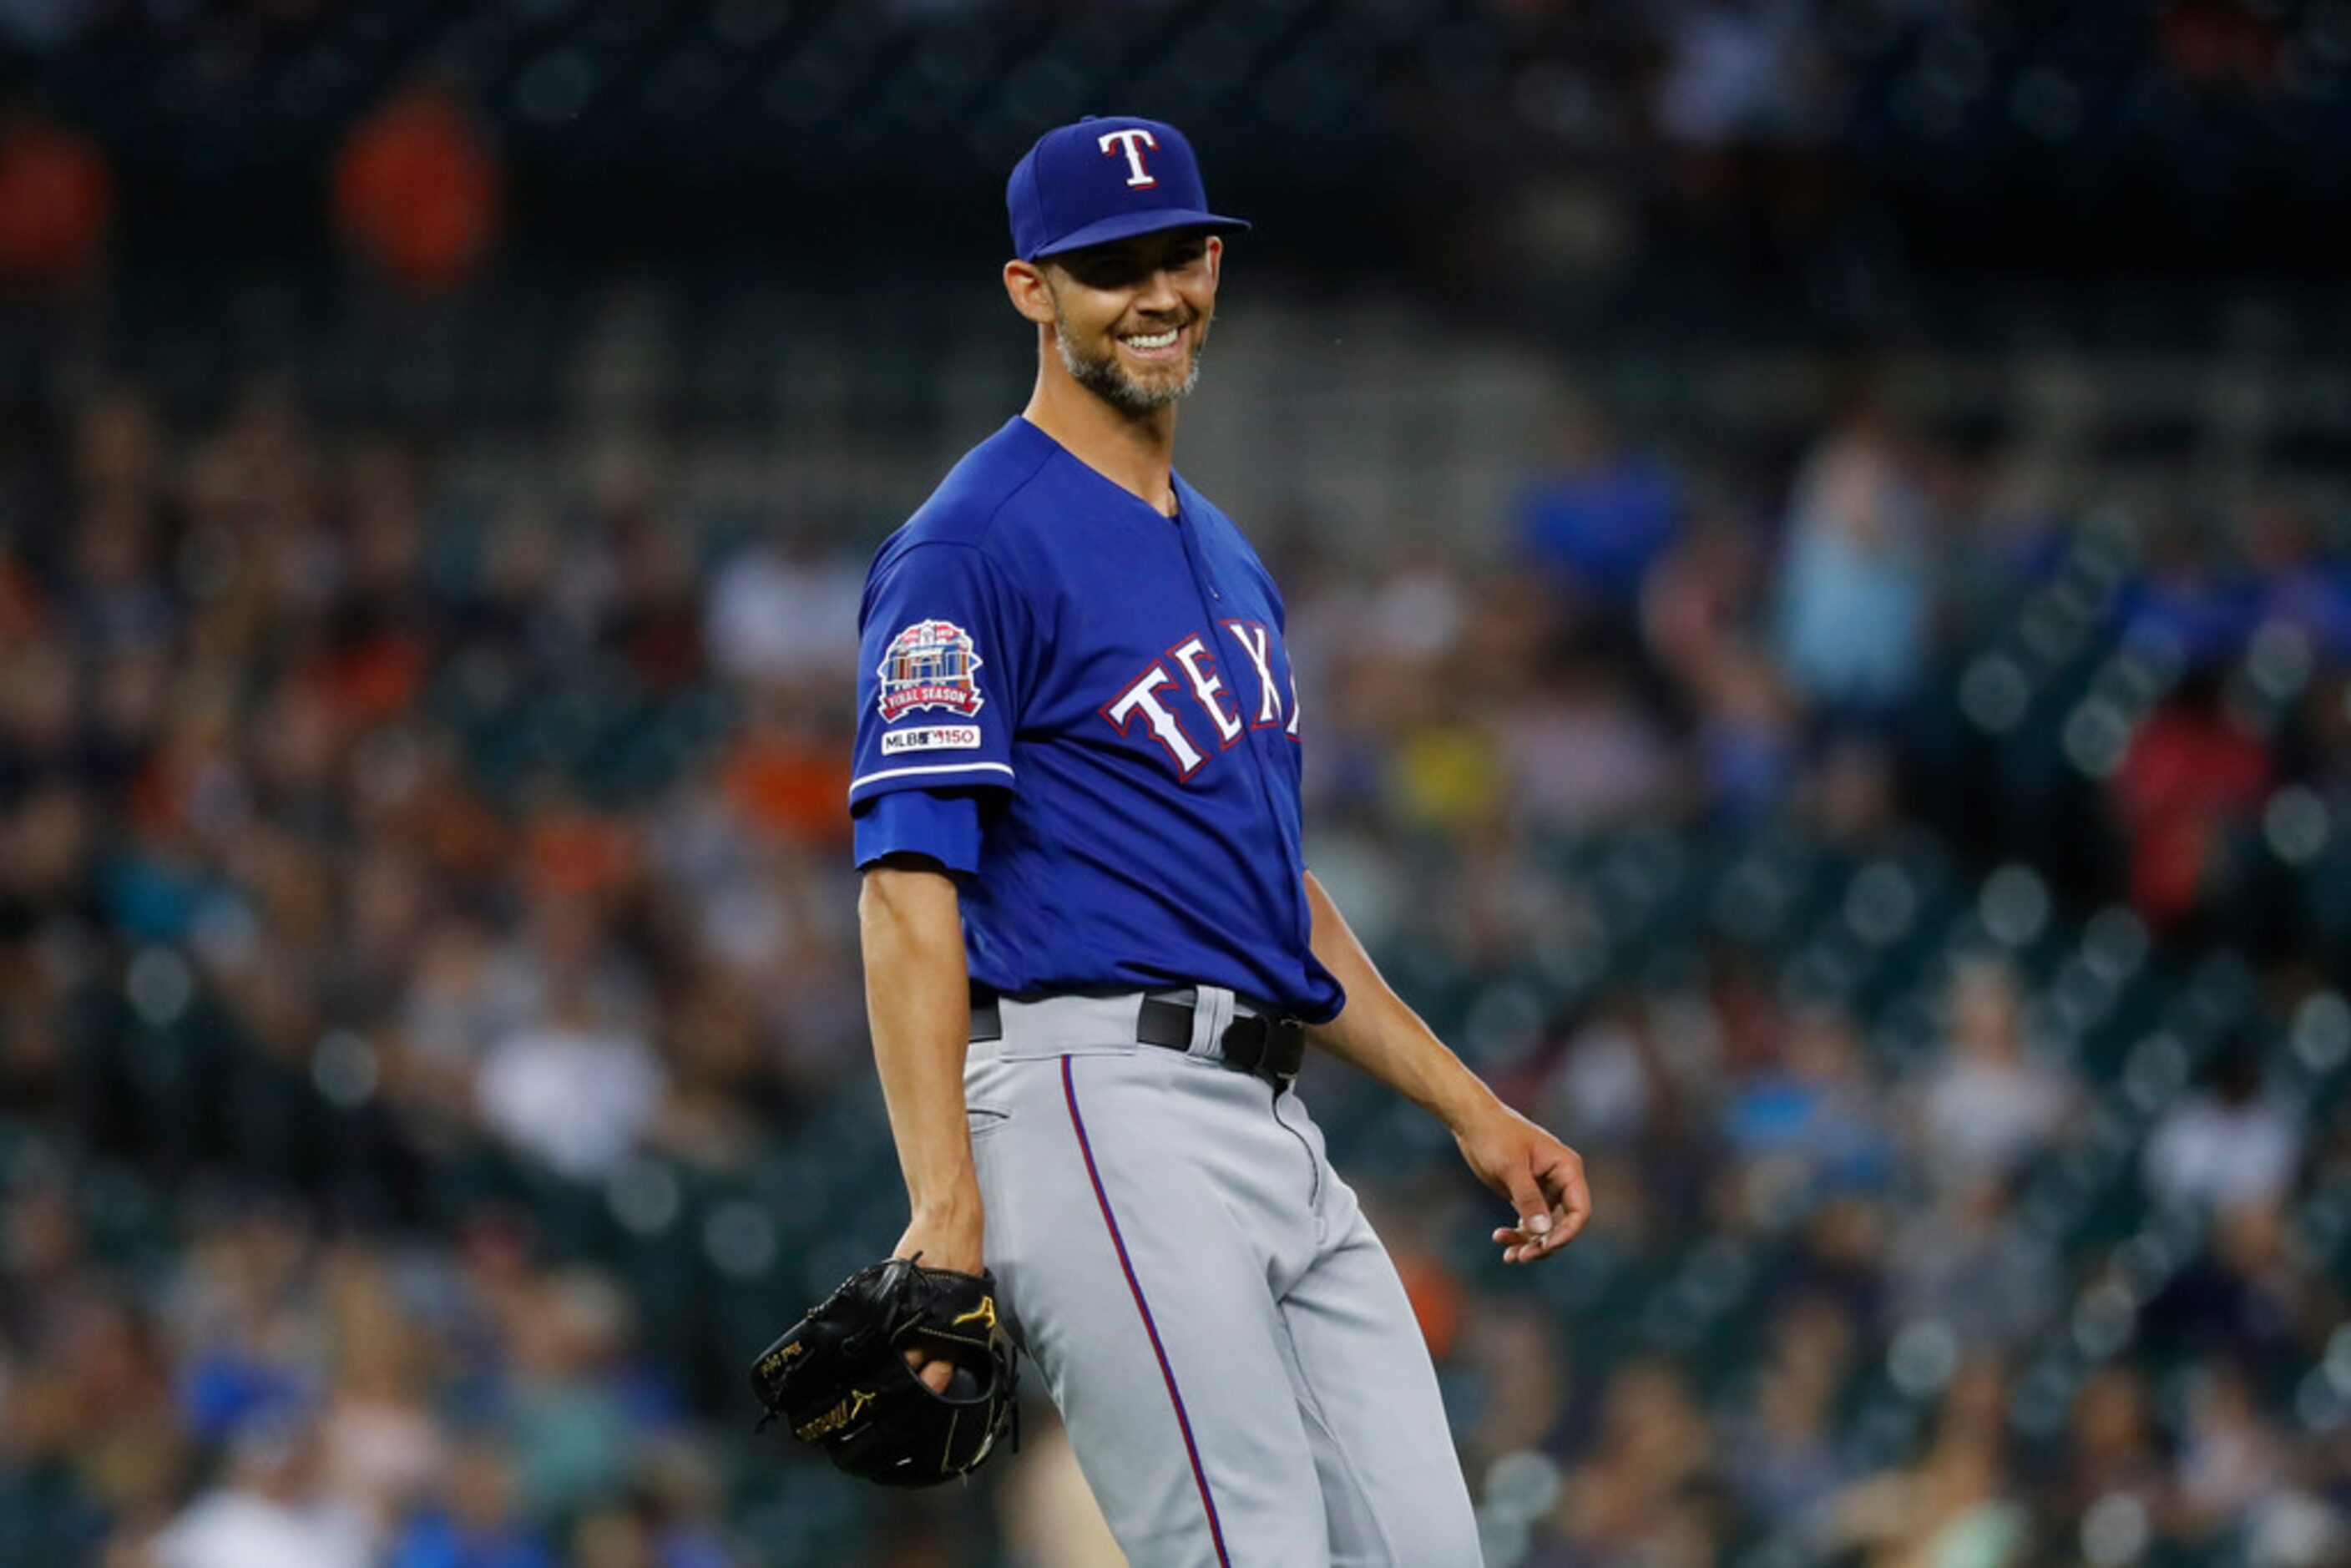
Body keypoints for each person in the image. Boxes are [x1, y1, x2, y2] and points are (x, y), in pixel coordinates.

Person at [845, 114, 1591, 1565]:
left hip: (1268, 1113)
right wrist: (944, 1206)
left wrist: (1470, 1106)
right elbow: (904, 891)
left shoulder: (1225, 548)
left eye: (1182, 252)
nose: (1162, 291)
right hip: (1096, 1100)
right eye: (1110, 265)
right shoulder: (967, 544)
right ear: (1029, 290)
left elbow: (1272, 903)